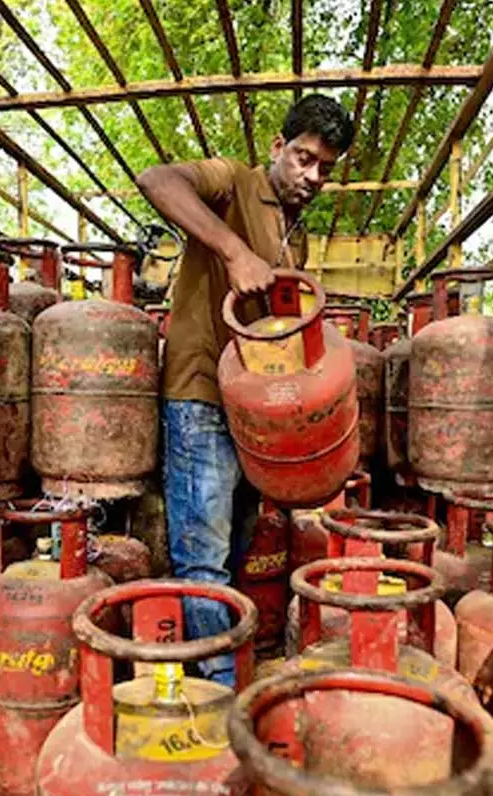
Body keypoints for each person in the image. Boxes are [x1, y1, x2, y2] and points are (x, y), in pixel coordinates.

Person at [136, 94, 355, 685]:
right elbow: (155, 179)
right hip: (203, 397)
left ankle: (216, 673)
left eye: (325, 169)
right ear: (278, 148)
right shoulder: (232, 182)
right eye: (304, 158)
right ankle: (216, 694)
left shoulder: (295, 236)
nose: (312, 177)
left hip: (255, 416)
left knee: (233, 553)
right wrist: (232, 251)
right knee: (203, 559)